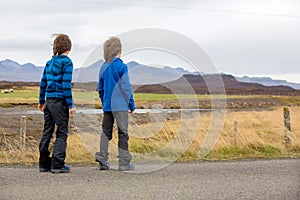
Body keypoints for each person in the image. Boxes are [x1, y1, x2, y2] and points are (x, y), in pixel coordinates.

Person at [95, 36, 135, 171]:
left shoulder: (103, 67)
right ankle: (124, 163)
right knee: (123, 133)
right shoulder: (122, 66)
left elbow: (100, 88)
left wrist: (104, 100)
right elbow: (126, 88)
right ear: (119, 50)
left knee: (106, 132)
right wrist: (131, 104)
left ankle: (103, 160)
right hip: (121, 106)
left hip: (108, 106)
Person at [38, 33, 76, 173]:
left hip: (49, 102)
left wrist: (41, 101)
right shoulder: (67, 62)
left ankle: (43, 163)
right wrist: (71, 105)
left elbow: (43, 83)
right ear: (69, 48)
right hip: (60, 103)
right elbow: (66, 85)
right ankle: (58, 164)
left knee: (47, 131)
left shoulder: (49, 63)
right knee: (61, 132)